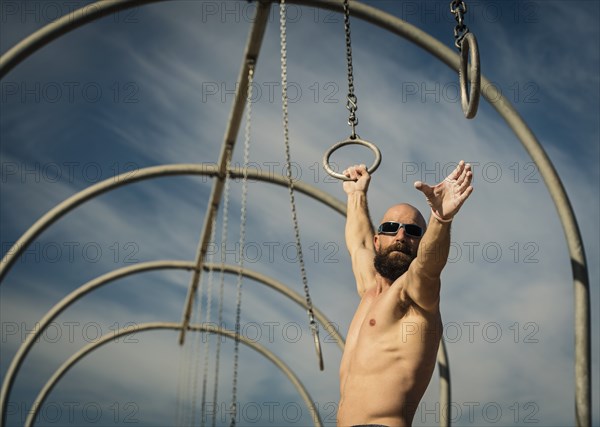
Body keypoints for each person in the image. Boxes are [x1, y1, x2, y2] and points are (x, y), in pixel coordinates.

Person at [337, 161, 473, 427]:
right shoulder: (371, 291)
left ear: (422, 244)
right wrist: (356, 195)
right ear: (379, 241)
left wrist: (441, 219)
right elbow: (360, 244)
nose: (400, 236)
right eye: (390, 227)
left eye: (412, 232)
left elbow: (428, 267)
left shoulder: (414, 296)